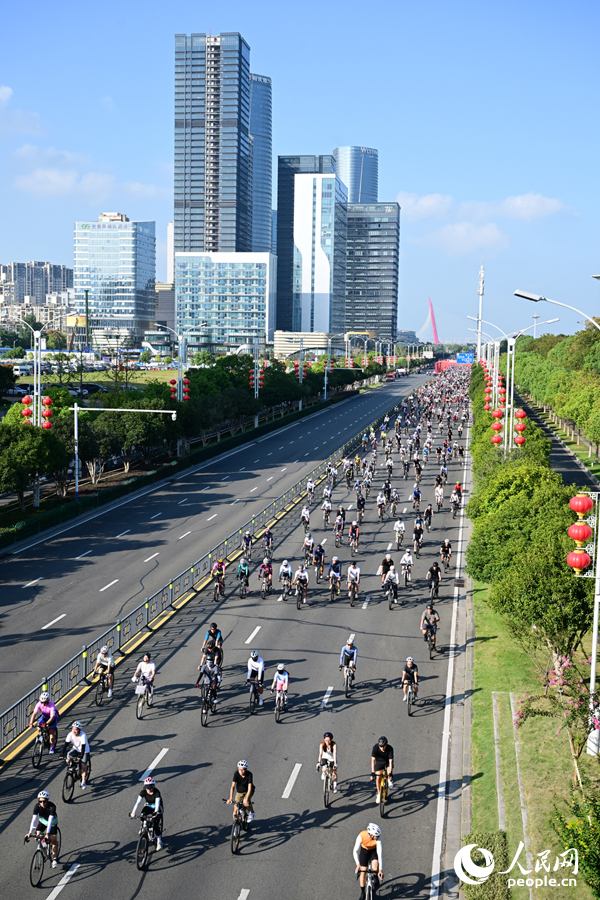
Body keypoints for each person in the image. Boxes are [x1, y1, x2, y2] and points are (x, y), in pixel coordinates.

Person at [25, 791, 59, 867]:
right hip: (43, 821)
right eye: (40, 801)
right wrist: (29, 832)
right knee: (37, 837)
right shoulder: (37, 806)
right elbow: (34, 820)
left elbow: (50, 821)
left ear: (47, 800)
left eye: (44, 801)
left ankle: (55, 859)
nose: (42, 803)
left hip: (52, 823)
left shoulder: (52, 807)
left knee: (53, 840)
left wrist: (47, 833)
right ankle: (45, 846)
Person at [130, 777, 164, 850]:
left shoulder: (157, 792)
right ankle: (143, 827)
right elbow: (137, 803)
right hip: (148, 806)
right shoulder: (143, 792)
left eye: (150, 787)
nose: (148, 789)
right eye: (147, 787)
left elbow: (157, 803)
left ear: (153, 786)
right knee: (142, 816)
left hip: (157, 807)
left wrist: (155, 812)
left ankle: (159, 841)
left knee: (155, 824)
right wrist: (133, 812)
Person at [60, 720, 90, 789]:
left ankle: (83, 781)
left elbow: (83, 747)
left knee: (83, 765)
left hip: (84, 751)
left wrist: (81, 755)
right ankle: (74, 768)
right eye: (73, 729)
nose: (74, 731)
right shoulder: (70, 734)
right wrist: (62, 753)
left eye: (76, 729)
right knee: (68, 759)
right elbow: (65, 745)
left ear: (79, 730)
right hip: (75, 749)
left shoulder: (83, 735)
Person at [371, 736, 394, 804]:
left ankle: (389, 780)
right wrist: (372, 772)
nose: (382, 748)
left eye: (383, 746)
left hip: (387, 761)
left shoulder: (390, 748)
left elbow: (390, 761)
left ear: (386, 745)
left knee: (388, 771)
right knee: (378, 777)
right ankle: (379, 794)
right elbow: (373, 760)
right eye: (380, 746)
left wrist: (390, 773)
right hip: (379, 761)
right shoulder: (375, 748)